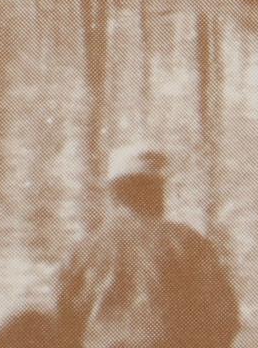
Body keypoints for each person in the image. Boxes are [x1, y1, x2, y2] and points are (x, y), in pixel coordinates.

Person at [49, 144, 241, 348]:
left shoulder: (83, 251)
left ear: (113, 194)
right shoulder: (186, 242)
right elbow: (224, 319)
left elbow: (62, 325)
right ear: (157, 192)